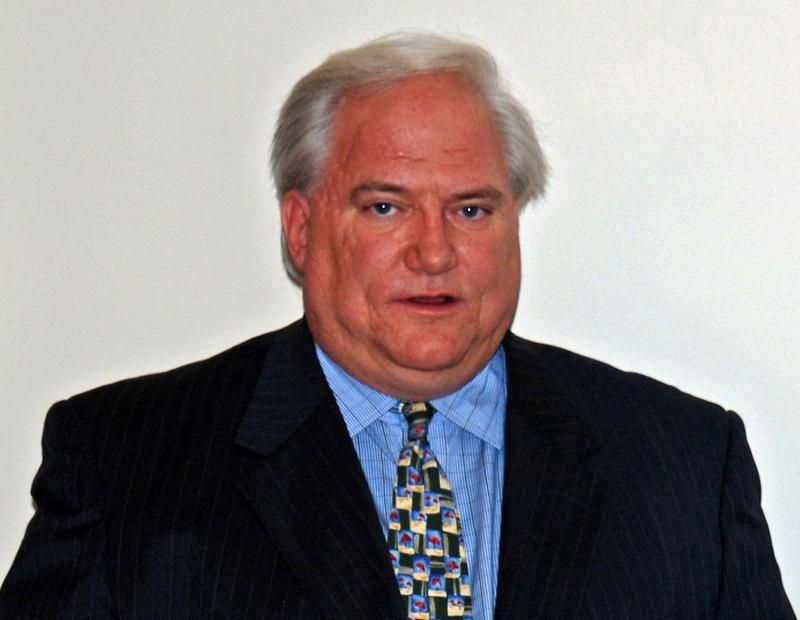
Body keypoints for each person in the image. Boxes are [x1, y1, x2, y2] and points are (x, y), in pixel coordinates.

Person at [0, 32, 793, 620]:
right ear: (302, 229)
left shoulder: (685, 466)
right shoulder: (126, 459)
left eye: (471, 210)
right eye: (386, 207)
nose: (435, 252)